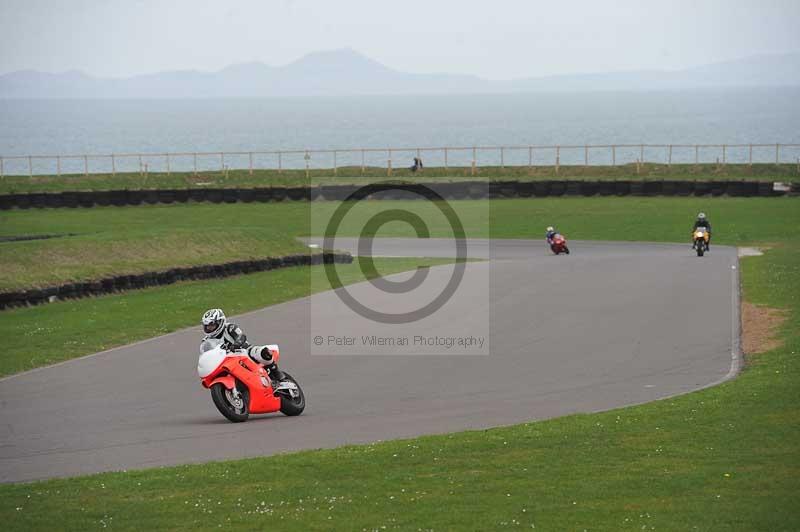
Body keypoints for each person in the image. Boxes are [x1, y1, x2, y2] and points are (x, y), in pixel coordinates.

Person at [201, 308, 286, 383]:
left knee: (263, 352)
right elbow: (205, 356)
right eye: (207, 326)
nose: (209, 328)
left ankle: (277, 374)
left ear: (220, 322)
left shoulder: (230, 327)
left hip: (244, 351)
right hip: (226, 361)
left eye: (211, 325)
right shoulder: (206, 342)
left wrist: (235, 345)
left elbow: (241, 337)